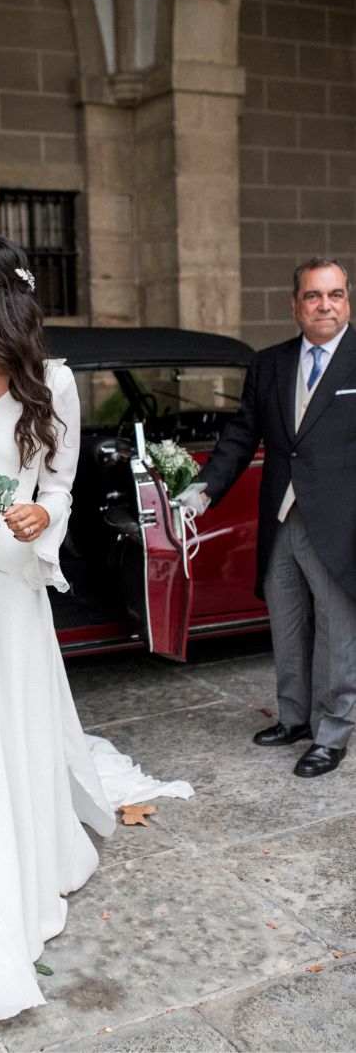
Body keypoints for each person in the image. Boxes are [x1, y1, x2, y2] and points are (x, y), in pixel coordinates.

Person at [0, 234, 193, 1022]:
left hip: (9, 589)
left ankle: (13, 868)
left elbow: (63, 482)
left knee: (5, 738)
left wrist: (41, 512)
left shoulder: (52, 383)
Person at [187, 257, 356, 778]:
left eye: (335, 294)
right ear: (295, 304)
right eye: (313, 296)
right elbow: (241, 436)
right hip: (281, 514)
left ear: (347, 300)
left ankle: (332, 733)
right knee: (285, 624)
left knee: (336, 632)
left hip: (341, 520)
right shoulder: (269, 363)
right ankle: (294, 719)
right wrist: (203, 489)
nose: (324, 305)